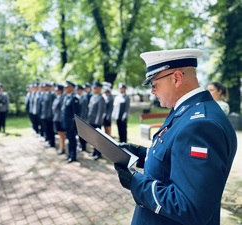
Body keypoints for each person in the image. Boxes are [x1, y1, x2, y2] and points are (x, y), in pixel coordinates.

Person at [114, 48, 237, 225]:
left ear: (177, 78)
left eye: (154, 84)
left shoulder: (200, 125)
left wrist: (135, 182)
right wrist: (139, 153)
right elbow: (174, 155)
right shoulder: (188, 110)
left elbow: (189, 207)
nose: (152, 92)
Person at [61, 81, 79, 163]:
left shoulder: (74, 98)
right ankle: (69, 154)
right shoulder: (66, 97)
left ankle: (73, 156)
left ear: (72, 87)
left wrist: (73, 124)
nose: (65, 88)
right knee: (69, 139)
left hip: (71, 124)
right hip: (66, 123)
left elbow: (75, 114)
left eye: (67, 87)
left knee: (72, 140)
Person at [87, 81, 106, 160]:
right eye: (93, 87)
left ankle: (98, 153)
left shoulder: (101, 98)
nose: (94, 89)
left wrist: (98, 122)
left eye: (96, 87)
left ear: (100, 89)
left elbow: (100, 111)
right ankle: (94, 151)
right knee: (93, 138)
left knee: (98, 138)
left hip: (96, 121)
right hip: (91, 120)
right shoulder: (92, 97)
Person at [38, 81, 56, 148]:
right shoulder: (44, 94)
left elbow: (51, 106)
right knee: (46, 129)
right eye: (44, 87)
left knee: (50, 129)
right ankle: (48, 140)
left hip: (49, 116)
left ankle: (52, 142)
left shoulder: (52, 95)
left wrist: (50, 115)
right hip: (43, 115)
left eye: (46, 86)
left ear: (49, 87)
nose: (45, 88)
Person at [52, 84, 66, 155]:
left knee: (61, 134)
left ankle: (62, 148)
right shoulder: (56, 98)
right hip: (56, 118)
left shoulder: (63, 98)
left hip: (60, 119)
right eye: (56, 90)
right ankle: (61, 147)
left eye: (57, 90)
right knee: (59, 133)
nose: (56, 91)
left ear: (61, 91)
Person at [76, 84, 88, 152]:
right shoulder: (79, 97)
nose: (77, 91)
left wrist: (82, 119)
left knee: (83, 134)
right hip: (79, 118)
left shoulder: (84, 98)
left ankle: (83, 146)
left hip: (82, 118)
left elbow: (84, 110)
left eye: (78, 90)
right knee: (79, 133)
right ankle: (80, 144)